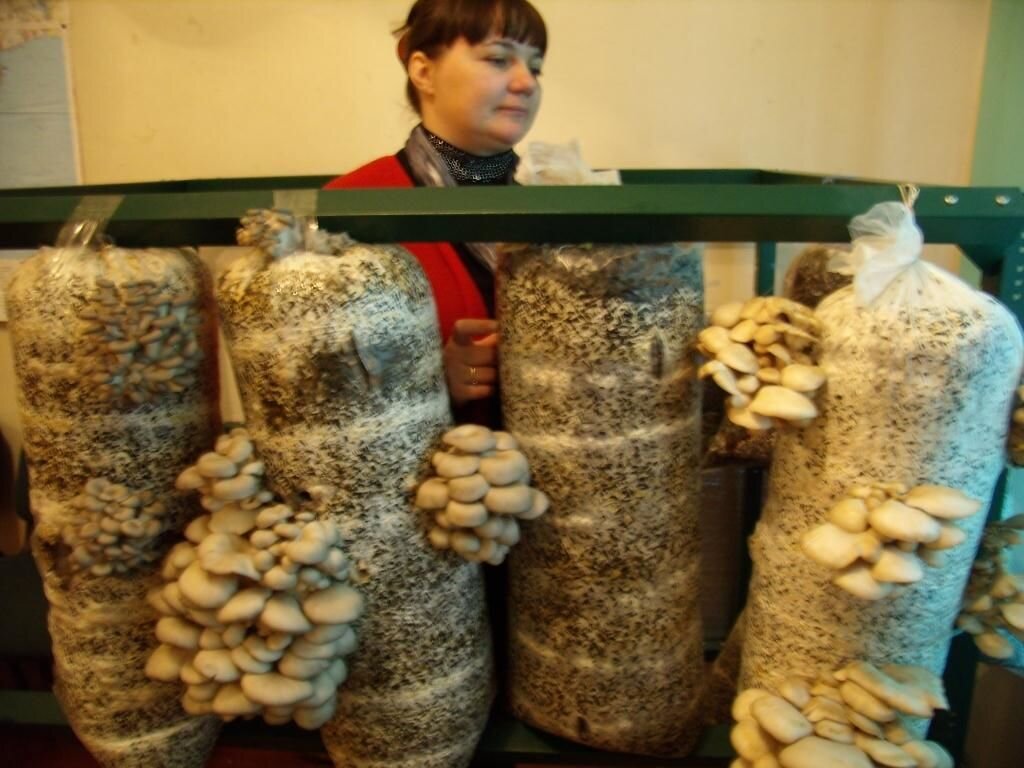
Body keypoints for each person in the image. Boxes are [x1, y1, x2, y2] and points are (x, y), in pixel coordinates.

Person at [325, 0, 546, 420]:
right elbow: (316, 385)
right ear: (424, 72)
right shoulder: (352, 204)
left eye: (535, 67)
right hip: (436, 461)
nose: (526, 83)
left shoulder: (560, 198)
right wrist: (431, 382)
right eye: (499, 59)